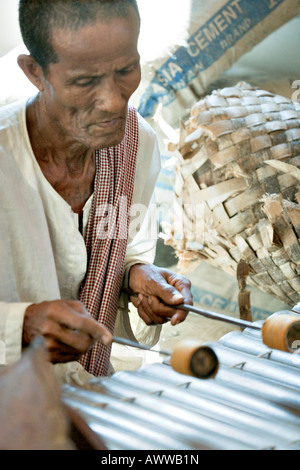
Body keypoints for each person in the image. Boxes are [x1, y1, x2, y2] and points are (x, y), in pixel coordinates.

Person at [0, 0, 193, 383]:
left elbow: (122, 252)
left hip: (91, 394)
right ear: (34, 72)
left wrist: (137, 275)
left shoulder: (137, 146)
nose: (113, 101)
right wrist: (17, 326)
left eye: (126, 70)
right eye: (84, 81)